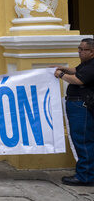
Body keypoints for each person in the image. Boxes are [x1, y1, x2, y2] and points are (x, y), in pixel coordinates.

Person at [54, 38, 94, 186]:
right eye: (79, 48)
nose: (79, 51)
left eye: (83, 49)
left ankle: (85, 176)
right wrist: (63, 68)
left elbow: (78, 80)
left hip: (81, 106)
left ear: (92, 52)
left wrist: (60, 75)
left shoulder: (92, 65)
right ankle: (87, 173)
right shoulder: (87, 64)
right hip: (77, 105)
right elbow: (77, 70)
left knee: (83, 140)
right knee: (83, 139)